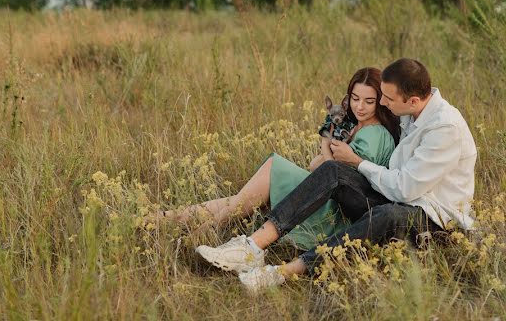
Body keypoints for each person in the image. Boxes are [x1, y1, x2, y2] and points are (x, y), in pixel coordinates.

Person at [195, 58, 477, 293]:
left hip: (433, 221)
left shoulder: (444, 129)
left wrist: (358, 162)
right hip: (397, 198)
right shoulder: (412, 112)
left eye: (387, 99)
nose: (384, 104)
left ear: (413, 100)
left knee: (388, 215)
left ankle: (282, 273)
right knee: (332, 170)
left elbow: (405, 189)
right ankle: (250, 248)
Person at [164, 67, 399, 250]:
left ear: (381, 100)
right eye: (355, 98)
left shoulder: (374, 134)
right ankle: (167, 218)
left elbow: (336, 175)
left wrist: (324, 143)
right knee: (241, 198)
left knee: (272, 169)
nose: (359, 106)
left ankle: (202, 230)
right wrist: (326, 150)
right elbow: (317, 165)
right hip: (325, 195)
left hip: (333, 209)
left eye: (369, 101)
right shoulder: (358, 127)